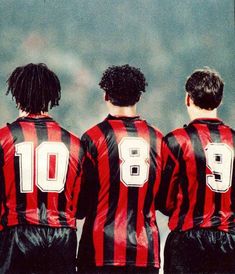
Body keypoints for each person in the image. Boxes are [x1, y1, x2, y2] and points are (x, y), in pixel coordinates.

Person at [77, 64, 163, 274]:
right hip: (146, 251)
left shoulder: (93, 137)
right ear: (139, 97)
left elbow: (81, 204)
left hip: (99, 249)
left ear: (106, 96)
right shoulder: (158, 139)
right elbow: (162, 199)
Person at [0, 63, 84, 274]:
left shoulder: (3, 139)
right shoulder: (74, 144)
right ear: (51, 98)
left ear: (16, 95)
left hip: (16, 233)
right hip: (62, 237)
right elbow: (81, 204)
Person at [159, 67, 235, 273]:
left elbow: (165, 202)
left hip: (187, 239)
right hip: (228, 240)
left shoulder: (176, 140)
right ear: (219, 101)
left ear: (187, 99)